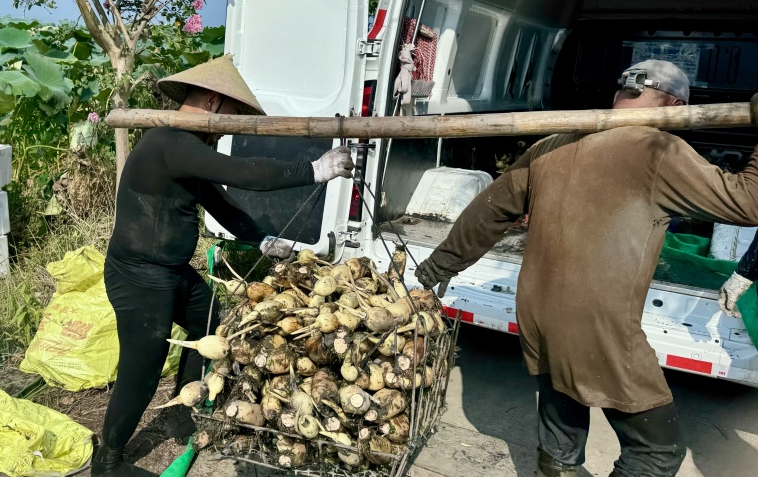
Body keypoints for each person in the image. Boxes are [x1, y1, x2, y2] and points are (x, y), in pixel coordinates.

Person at [415, 59, 758, 477]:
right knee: (656, 453)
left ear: (620, 94)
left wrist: (439, 264)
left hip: (537, 315)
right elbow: (748, 202)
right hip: (597, 326)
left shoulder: (552, 144)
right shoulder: (659, 149)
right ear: (673, 104)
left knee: (561, 437)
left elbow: (489, 210)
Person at [91, 55, 355, 477]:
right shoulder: (170, 142)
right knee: (143, 367)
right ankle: (107, 460)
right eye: (231, 116)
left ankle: (185, 403)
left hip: (171, 273)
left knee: (211, 320)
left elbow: (220, 202)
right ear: (213, 102)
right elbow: (241, 173)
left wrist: (262, 238)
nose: (230, 127)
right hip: (139, 277)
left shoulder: (186, 149)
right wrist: (314, 170)